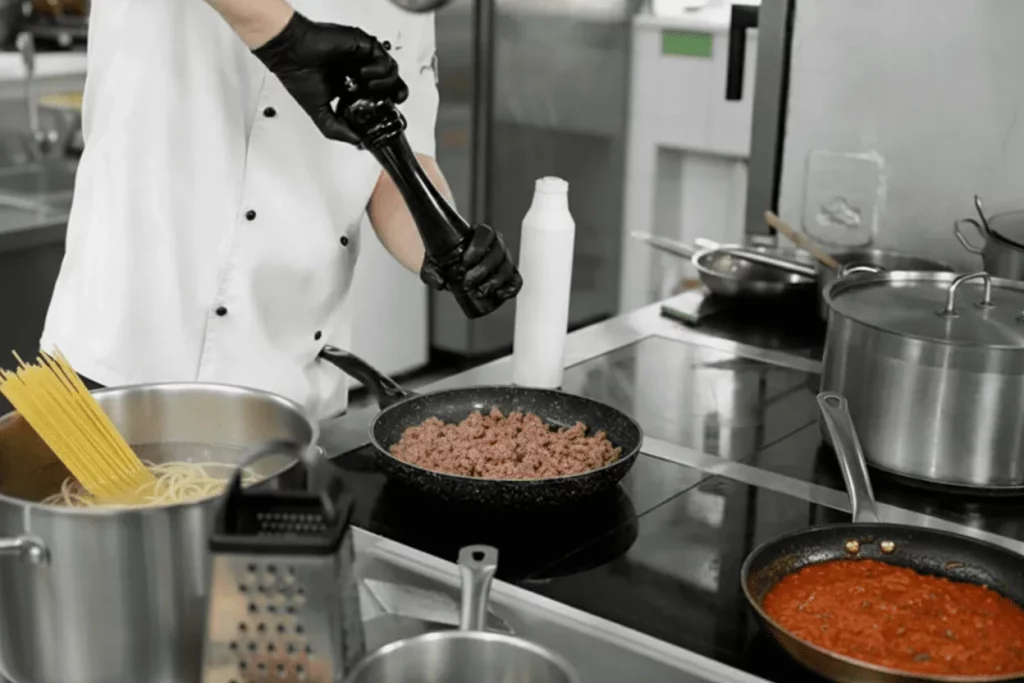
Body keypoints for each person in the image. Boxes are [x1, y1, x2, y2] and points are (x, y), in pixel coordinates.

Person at [40, 0, 521, 418]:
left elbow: (396, 163)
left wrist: (447, 248)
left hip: (290, 381)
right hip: (121, 352)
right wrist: (287, 38)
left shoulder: (408, 8)